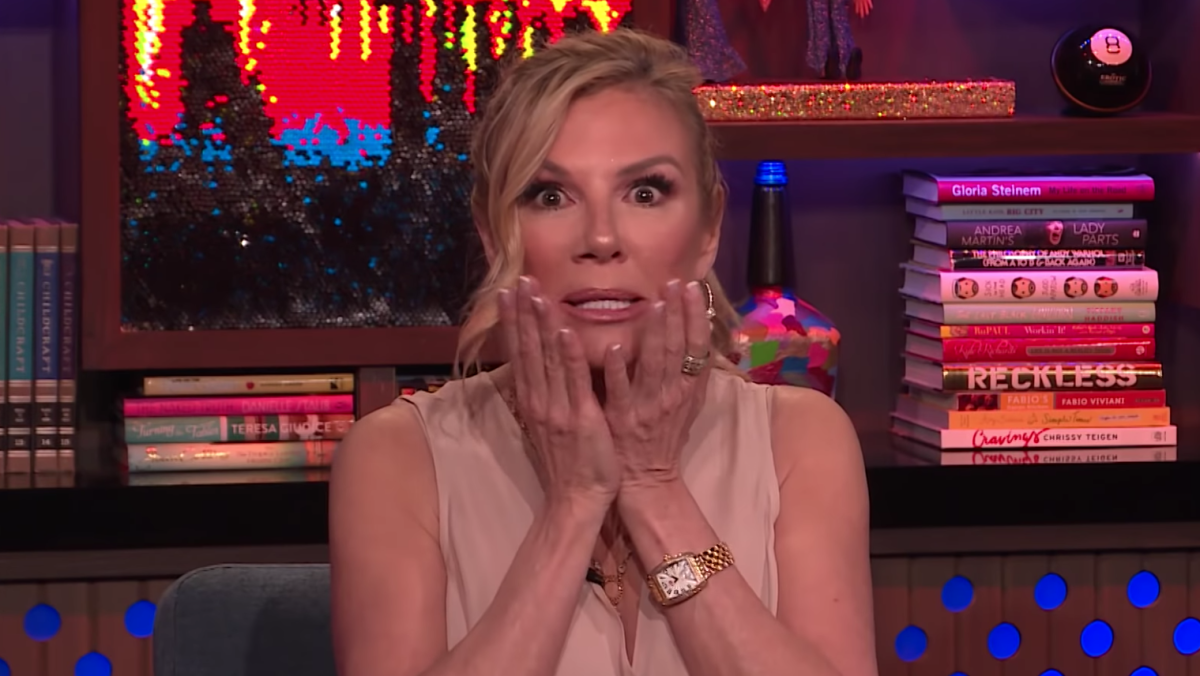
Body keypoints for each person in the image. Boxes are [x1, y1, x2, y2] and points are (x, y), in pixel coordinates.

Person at [329, 28, 877, 676]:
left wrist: (655, 487)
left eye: (645, 192)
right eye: (550, 195)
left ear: (708, 228)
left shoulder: (800, 443)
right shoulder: (398, 458)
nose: (600, 237)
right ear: (493, 231)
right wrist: (572, 507)